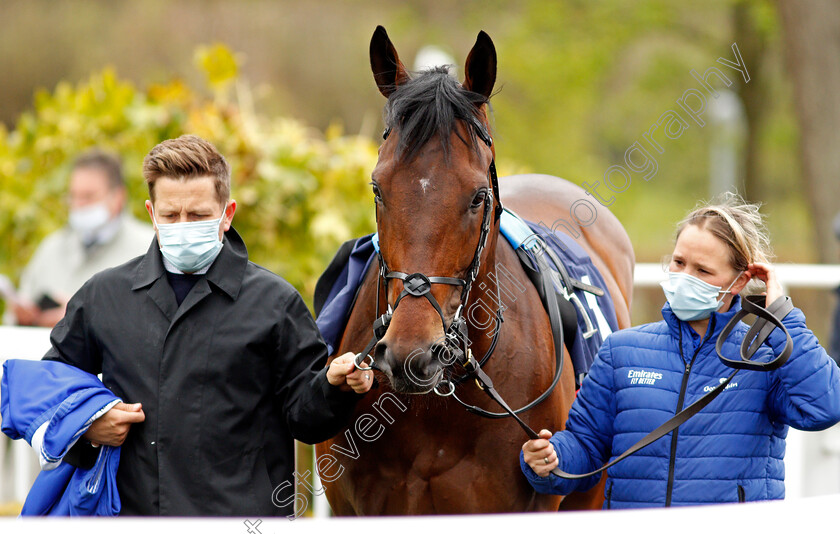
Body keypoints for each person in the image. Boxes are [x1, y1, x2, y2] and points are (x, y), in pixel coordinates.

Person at [42, 135, 373, 516]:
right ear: (151, 214)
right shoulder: (104, 295)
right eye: (170, 215)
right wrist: (88, 425)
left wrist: (333, 386)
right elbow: (54, 385)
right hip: (131, 522)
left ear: (227, 212)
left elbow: (306, 417)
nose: (182, 226)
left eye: (198, 215)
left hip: (243, 521)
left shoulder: (275, 303)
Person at [520, 192, 840, 508]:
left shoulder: (767, 360)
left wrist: (781, 317)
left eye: (702, 271)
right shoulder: (621, 351)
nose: (684, 277)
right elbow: (586, 447)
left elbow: (826, 405)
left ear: (740, 282)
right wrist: (552, 458)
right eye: (679, 262)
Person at [11, 150, 151, 327]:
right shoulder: (51, 247)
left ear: (118, 197)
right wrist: (22, 315)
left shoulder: (147, 248)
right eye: (74, 196)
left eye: (88, 196)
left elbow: (150, 323)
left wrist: (78, 316)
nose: (79, 205)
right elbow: (19, 309)